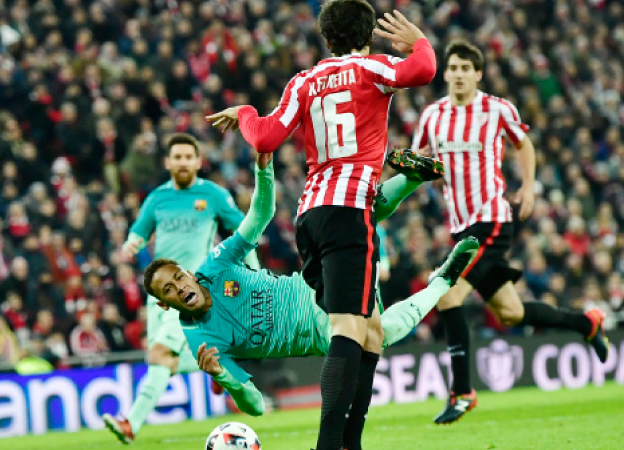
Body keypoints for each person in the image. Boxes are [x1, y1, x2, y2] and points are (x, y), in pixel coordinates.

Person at [205, 2, 437, 449]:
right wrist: (416, 41)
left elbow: (266, 138)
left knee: (370, 330)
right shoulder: (373, 67)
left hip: (311, 214)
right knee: (348, 328)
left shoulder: (305, 81)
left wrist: (247, 113)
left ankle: (352, 442)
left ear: (326, 40)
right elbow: (424, 69)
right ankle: (329, 445)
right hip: (352, 209)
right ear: (367, 35)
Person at [138, 152, 477, 422]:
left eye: (178, 277)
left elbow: (259, 215)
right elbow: (256, 407)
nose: (178, 287)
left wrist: (263, 169)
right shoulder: (203, 341)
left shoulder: (215, 265)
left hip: (316, 284)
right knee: (380, 333)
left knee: (347, 218)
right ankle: (443, 281)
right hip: (320, 335)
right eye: (168, 290)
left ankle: (411, 178)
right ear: (165, 305)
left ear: (188, 273)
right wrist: (223, 378)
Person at [411, 41, 609, 424]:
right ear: (446, 72)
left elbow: (524, 144)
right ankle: (587, 323)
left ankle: (463, 391)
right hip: (460, 226)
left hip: (493, 220)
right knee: (511, 312)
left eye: (466, 67)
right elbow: (420, 161)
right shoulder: (433, 116)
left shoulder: (497, 109)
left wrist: (529, 185)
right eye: (452, 67)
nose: (457, 73)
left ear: (478, 74)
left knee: (448, 297)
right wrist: (417, 171)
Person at [103, 133, 259, 444]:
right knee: (165, 362)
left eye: (189, 157)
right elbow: (138, 232)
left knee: (162, 353)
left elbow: (245, 230)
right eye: (178, 157)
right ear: (168, 162)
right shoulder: (157, 198)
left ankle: (130, 424)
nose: (183, 162)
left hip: (191, 292)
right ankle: (219, 368)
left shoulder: (213, 195)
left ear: (198, 161)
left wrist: (254, 271)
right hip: (159, 296)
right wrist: (132, 243)